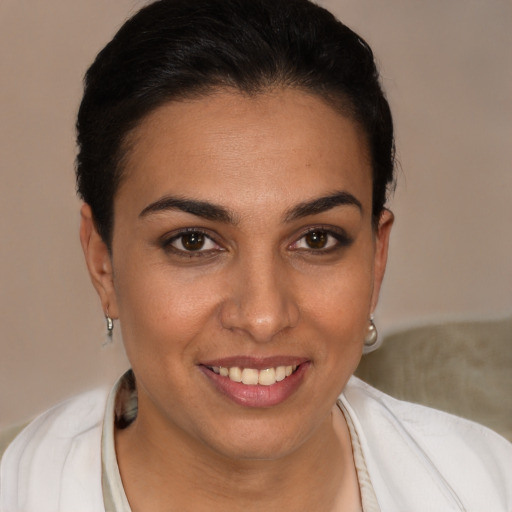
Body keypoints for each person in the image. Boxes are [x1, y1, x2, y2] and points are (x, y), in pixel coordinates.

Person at [1, 0, 510, 510]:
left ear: (377, 260)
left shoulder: (489, 486)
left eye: (316, 239)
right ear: (103, 263)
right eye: (193, 241)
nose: (264, 316)